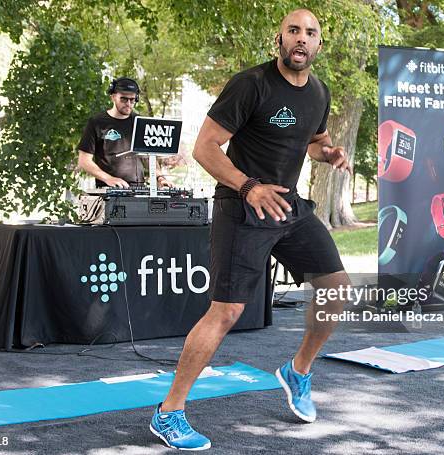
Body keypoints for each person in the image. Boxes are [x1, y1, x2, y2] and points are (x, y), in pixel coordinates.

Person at [150, 9, 351, 451]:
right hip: (242, 206)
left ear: (319, 44)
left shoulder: (319, 91)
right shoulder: (251, 84)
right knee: (226, 312)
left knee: (336, 288)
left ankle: (297, 371)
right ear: (278, 39)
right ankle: (168, 413)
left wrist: (330, 152)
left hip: (289, 206)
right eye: (293, 31)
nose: (301, 39)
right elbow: (204, 148)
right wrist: (249, 186)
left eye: (310, 33)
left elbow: (313, 140)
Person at [77, 77, 170, 188]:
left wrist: (160, 177)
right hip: (109, 190)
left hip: (139, 190)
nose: (128, 104)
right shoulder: (97, 122)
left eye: (132, 100)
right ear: (113, 97)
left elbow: (148, 157)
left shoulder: (140, 122)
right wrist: (109, 179)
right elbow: (84, 161)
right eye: (124, 99)